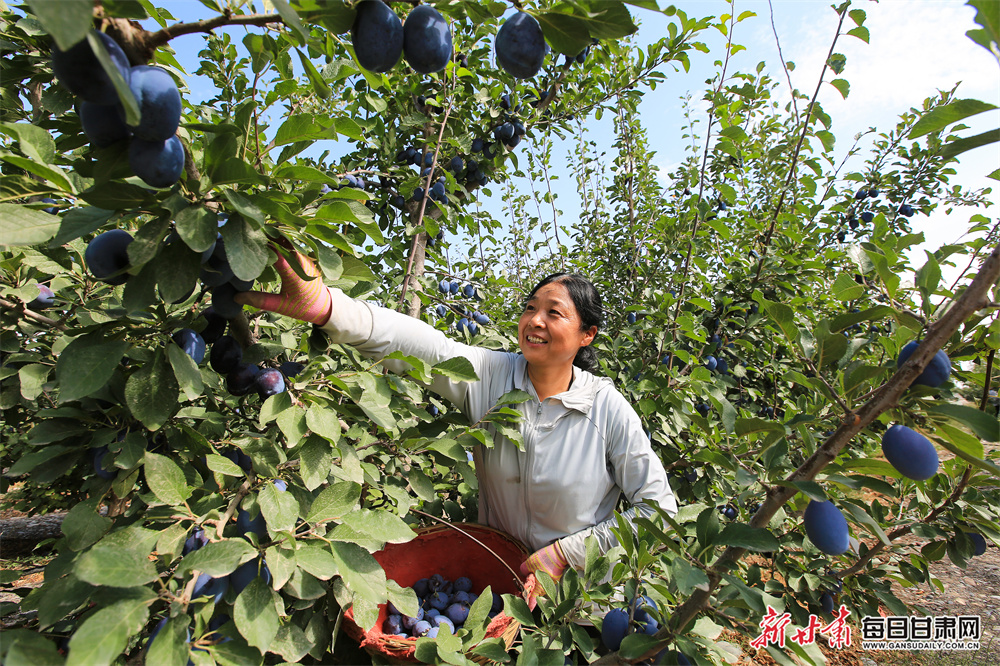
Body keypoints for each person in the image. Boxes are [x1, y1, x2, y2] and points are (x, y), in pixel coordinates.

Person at [236, 246, 678, 605]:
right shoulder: (492, 375)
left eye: (554, 313)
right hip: (497, 589)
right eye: (529, 308)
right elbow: (420, 343)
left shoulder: (606, 409)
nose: (535, 321)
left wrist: (567, 554)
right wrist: (328, 307)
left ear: (587, 335)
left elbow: (658, 509)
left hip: (579, 604)